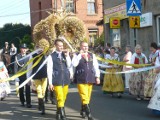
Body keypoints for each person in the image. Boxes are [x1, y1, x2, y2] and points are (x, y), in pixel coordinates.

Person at [72, 41, 100, 120]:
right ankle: (89, 114)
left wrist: (97, 76)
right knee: (84, 96)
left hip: (90, 78)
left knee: (87, 97)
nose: (85, 48)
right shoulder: (76, 55)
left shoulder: (92, 55)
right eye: (84, 46)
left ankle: (82, 109)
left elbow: (96, 66)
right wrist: (79, 55)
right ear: (80, 47)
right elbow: (74, 64)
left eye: (86, 46)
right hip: (80, 78)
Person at [48, 38, 72, 120]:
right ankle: (63, 115)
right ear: (55, 46)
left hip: (65, 79)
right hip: (56, 79)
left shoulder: (65, 54)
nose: (61, 47)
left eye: (62, 46)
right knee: (60, 97)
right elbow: (49, 70)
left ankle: (58, 112)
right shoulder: (51, 56)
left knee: (64, 98)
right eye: (59, 46)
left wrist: (68, 56)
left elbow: (69, 65)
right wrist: (50, 83)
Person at [27, 39, 49, 114]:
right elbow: (29, 68)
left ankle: (40, 104)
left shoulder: (46, 55)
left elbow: (49, 65)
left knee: (43, 90)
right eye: (38, 47)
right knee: (39, 90)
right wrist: (28, 78)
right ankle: (42, 107)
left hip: (44, 75)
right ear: (36, 47)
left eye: (41, 47)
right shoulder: (32, 56)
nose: (40, 48)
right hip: (36, 75)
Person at [14, 43, 31, 108]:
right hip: (20, 75)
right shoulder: (17, 57)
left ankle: (28, 103)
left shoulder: (29, 56)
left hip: (27, 75)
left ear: (26, 49)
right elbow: (16, 67)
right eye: (22, 48)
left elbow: (30, 66)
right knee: (21, 89)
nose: (24, 50)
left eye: (25, 48)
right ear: (20, 49)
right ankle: (22, 101)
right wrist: (16, 76)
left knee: (27, 89)